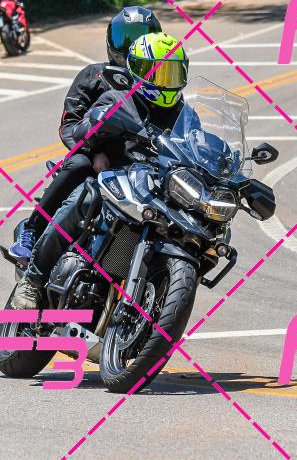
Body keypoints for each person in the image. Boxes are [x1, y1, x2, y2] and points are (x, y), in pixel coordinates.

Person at [11, 32, 190, 309]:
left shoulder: (182, 114)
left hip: (152, 190)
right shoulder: (117, 98)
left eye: (172, 73)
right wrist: (95, 136)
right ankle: (33, 280)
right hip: (112, 182)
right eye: (159, 73)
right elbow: (80, 129)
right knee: (84, 198)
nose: (166, 82)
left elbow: (196, 144)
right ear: (140, 71)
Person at [7, 6, 162, 263]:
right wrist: (94, 153)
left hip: (139, 164)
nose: (131, 46)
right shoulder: (94, 75)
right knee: (78, 164)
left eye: (141, 38)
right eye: (126, 38)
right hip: (95, 159)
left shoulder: (158, 86)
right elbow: (69, 125)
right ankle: (32, 230)